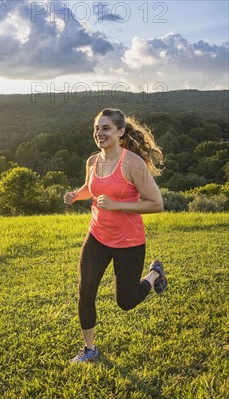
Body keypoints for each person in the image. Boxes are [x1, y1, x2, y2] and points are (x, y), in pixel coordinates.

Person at [63, 108, 167, 363]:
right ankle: (89, 349)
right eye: (97, 128)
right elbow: (91, 186)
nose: (99, 133)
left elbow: (156, 203)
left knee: (127, 302)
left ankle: (154, 274)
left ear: (120, 132)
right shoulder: (92, 161)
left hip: (129, 242)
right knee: (85, 291)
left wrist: (116, 205)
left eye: (106, 128)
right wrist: (77, 195)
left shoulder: (132, 163)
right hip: (97, 236)